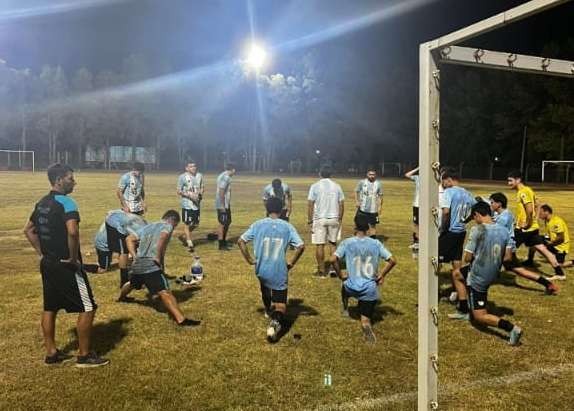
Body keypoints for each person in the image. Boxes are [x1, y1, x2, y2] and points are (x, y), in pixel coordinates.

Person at [23, 163, 109, 367]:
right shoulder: (67, 203)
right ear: (59, 180)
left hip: (48, 264)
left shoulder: (42, 202)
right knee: (88, 307)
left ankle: (51, 353)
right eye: (71, 178)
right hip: (65, 265)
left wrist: (42, 253)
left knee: (50, 307)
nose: (74, 182)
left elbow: (28, 230)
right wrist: (72, 258)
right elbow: (72, 232)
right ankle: (84, 356)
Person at [448, 202, 523, 346]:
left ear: (477, 215)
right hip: (493, 272)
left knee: (479, 316)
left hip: (479, 275)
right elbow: (507, 258)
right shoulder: (504, 230)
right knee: (457, 274)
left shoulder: (478, 230)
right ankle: (464, 309)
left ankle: (512, 328)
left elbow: (467, 258)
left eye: (473, 217)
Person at [238, 198, 305, 342]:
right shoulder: (287, 226)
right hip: (278, 270)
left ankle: (268, 310)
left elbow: (241, 241)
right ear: (282, 210)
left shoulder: (258, 224)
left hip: (261, 269)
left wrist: (250, 260)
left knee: (265, 288)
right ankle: (274, 323)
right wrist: (291, 263)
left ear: (267, 209)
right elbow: (301, 246)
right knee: (281, 305)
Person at [118, 210, 201, 327]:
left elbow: (129, 239)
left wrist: (135, 256)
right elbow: (163, 236)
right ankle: (181, 320)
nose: (174, 227)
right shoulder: (168, 226)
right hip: (151, 264)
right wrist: (157, 257)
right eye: (176, 224)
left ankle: (122, 298)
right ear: (173, 220)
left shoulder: (148, 226)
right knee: (164, 291)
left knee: (132, 283)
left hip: (138, 264)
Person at [333, 213, 396, 344]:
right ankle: (366, 327)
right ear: (368, 227)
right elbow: (393, 261)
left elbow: (333, 259)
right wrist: (382, 274)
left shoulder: (347, 242)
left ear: (355, 226)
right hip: (369, 289)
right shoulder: (376, 243)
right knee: (366, 319)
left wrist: (340, 274)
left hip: (351, 287)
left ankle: (345, 308)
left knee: (344, 284)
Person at [489, 193, 558, 295]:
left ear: (499, 204)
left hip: (505, 249)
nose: (490, 205)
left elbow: (499, 235)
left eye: (492, 203)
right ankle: (548, 284)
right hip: (508, 248)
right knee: (519, 270)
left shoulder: (503, 219)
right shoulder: (507, 213)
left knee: (481, 263)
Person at [507, 170, 565, 279]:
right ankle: (559, 273)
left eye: (510, 181)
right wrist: (535, 219)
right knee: (542, 248)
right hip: (533, 228)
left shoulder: (523, 192)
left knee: (508, 246)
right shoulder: (529, 190)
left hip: (525, 229)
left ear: (518, 180)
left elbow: (529, 210)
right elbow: (538, 204)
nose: (509, 183)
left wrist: (528, 223)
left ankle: (509, 266)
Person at [439, 169, 476, 309]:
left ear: (448, 179)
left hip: (450, 232)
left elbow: (446, 212)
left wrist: (443, 228)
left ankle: (432, 293)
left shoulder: (449, 192)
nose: (443, 185)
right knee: (456, 262)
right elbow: (475, 210)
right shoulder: (467, 193)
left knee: (435, 259)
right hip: (461, 232)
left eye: (443, 182)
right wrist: (464, 221)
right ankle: (457, 292)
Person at [307, 166, 345, 278]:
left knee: (320, 245)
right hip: (334, 218)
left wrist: (310, 220)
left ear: (320, 174)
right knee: (333, 244)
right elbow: (341, 204)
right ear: (331, 174)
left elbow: (310, 204)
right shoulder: (337, 186)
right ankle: (334, 269)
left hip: (319, 218)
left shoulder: (315, 186)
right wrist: (340, 218)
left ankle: (321, 271)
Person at [105, 209, 147, 288]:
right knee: (124, 251)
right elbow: (129, 240)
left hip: (125, 221)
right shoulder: (138, 233)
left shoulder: (147, 231)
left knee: (134, 250)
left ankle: (136, 276)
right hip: (113, 222)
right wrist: (135, 257)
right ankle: (124, 281)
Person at [177, 161, 204, 251]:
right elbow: (178, 191)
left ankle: (183, 236)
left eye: (194, 166)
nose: (193, 168)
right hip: (187, 204)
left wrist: (200, 193)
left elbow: (202, 187)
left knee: (196, 224)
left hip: (197, 204)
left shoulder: (200, 175)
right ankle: (189, 241)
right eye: (191, 166)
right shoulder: (182, 177)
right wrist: (189, 195)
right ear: (187, 168)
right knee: (187, 223)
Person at [536, 204, 572, 272]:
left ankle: (572, 262)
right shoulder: (547, 221)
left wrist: (549, 244)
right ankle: (530, 260)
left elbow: (561, 238)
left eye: (540, 213)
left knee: (559, 265)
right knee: (535, 240)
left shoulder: (557, 221)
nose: (539, 215)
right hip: (554, 244)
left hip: (561, 247)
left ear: (546, 212)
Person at [354, 167, 384, 238]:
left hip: (373, 210)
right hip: (363, 209)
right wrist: (357, 201)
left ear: (375, 175)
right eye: (370, 174)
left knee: (373, 226)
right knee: (361, 227)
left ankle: (372, 243)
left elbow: (380, 196)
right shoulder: (362, 182)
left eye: (373, 174)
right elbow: (356, 191)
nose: (372, 176)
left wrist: (380, 207)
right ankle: (362, 241)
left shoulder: (378, 184)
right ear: (367, 174)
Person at [216, 163, 236, 251]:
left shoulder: (223, 175)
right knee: (222, 223)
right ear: (233, 169)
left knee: (227, 221)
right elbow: (221, 192)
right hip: (222, 204)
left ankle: (224, 241)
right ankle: (221, 244)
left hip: (225, 204)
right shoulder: (226, 177)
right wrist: (222, 206)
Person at [404, 166, 420, 249]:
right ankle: (416, 242)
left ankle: (420, 242)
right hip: (416, 204)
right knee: (416, 224)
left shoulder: (430, 179)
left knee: (420, 224)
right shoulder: (417, 178)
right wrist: (418, 168)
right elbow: (407, 175)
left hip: (424, 205)